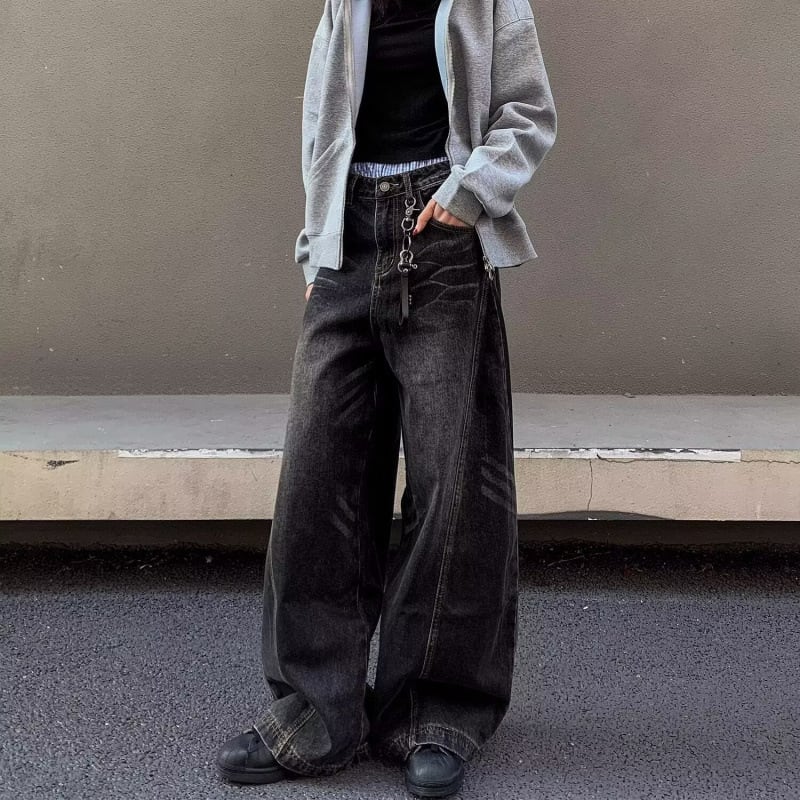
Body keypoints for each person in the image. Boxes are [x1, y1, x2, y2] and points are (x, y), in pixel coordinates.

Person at [216, 0, 556, 795]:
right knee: (317, 480)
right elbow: (323, 120)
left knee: (452, 487)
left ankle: (437, 711)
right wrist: (317, 249)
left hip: (441, 235)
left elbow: (528, 109)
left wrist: (472, 193)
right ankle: (317, 709)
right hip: (350, 239)